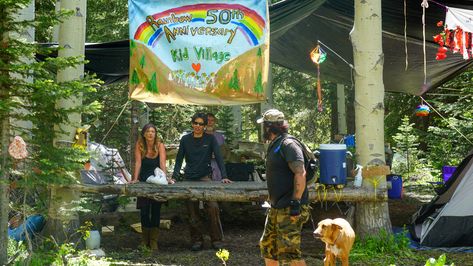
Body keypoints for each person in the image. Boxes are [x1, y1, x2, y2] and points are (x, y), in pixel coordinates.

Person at [257, 109, 310, 266]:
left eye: (264, 126)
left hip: (290, 207)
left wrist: (296, 203)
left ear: (269, 126)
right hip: (276, 207)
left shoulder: (288, 144)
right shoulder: (276, 144)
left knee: (289, 253)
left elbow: (300, 173)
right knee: (268, 247)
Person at [172, 112, 232, 251]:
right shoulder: (185, 140)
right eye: (196, 123)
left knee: (213, 207)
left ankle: (216, 239)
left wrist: (224, 176)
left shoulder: (210, 139)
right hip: (189, 178)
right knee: (192, 210)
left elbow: (219, 158)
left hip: (205, 178)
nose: (198, 126)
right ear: (192, 124)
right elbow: (179, 159)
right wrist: (174, 177)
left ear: (205, 126)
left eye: (201, 124)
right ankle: (196, 240)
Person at [130, 123, 171, 251]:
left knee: (156, 210)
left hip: (157, 181)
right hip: (144, 181)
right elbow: (138, 163)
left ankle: (153, 241)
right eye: (148, 131)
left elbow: (162, 164)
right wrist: (135, 179)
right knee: (144, 210)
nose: (150, 133)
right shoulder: (140, 145)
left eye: (153, 131)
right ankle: (144, 240)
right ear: (144, 133)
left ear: (155, 133)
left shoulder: (160, 145)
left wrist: (166, 178)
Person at [206, 113, 225, 181]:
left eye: (212, 120)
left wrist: (218, 154)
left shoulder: (220, 136)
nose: (210, 122)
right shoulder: (199, 135)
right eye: (208, 120)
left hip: (216, 166)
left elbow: (223, 152)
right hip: (203, 166)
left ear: (214, 122)